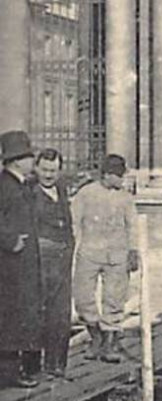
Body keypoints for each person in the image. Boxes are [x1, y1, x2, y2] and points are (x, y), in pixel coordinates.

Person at [71, 153, 140, 364]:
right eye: (118, 176)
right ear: (108, 174)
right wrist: (72, 249)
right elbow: (74, 222)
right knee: (82, 298)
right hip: (90, 253)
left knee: (114, 299)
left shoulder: (126, 198)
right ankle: (95, 336)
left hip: (117, 255)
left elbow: (133, 226)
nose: (121, 180)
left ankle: (109, 343)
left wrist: (133, 251)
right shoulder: (86, 194)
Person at [0, 131, 43, 388]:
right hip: (10, 265)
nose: (32, 161)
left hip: (21, 264)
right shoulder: (5, 185)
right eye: (29, 157)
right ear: (17, 160)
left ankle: (15, 371)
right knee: (11, 315)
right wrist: (10, 241)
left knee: (19, 313)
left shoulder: (18, 184)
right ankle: (10, 374)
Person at [31, 148, 74, 378]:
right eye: (45, 170)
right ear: (36, 168)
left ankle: (58, 364)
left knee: (61, 314)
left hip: (63, 260)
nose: (48, 175)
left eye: (53, 170)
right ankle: (36, 366)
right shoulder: (29, 192)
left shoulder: (62, 190)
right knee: (39, 312)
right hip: (40, 260)